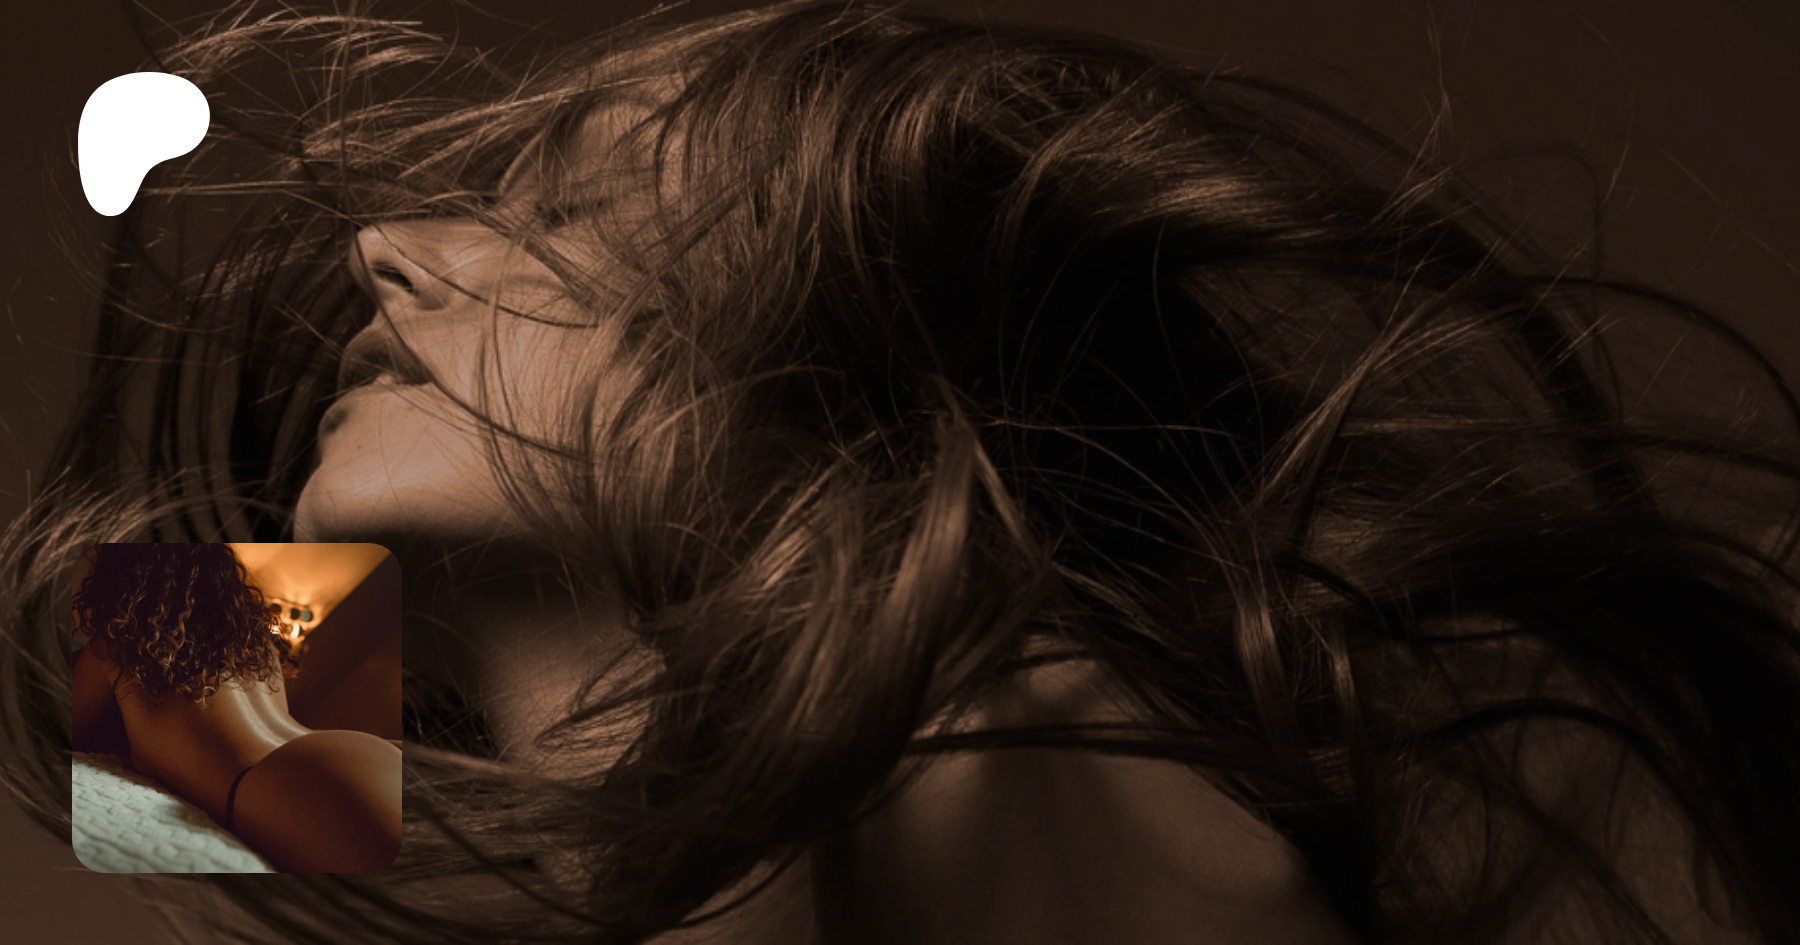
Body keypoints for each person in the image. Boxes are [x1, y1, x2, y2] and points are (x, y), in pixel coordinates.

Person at [4, 0, 1800, 941]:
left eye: (559, 218)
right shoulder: (569, 827)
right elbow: (99, 725)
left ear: (842, 367)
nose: (384, 252)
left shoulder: (1002, 733)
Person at [69, 543, 402, 873]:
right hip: (359, 749)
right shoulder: (255, 642)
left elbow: (70, 734)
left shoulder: (112, 644)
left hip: (288, 779)